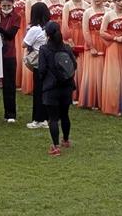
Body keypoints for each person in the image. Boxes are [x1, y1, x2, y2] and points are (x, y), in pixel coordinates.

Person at [38, 21, 77, 156]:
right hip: (66, 87)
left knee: (53, 118)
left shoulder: (44, 49)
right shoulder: (66, 48)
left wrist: (44, 81)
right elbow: (74, 65)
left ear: (47, 34)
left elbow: (41, 69)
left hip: (51, 88)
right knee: (65, 114)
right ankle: (66, 140)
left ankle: (55, 146)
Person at [23, 2, 49, 129]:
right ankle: (46, 118)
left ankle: (37, 119)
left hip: (39, 62)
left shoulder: (35, 29)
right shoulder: (50, 27)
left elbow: (24, 43)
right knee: (47, 91)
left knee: (38, 91)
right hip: (49, 61)